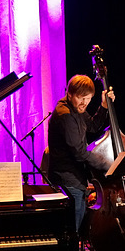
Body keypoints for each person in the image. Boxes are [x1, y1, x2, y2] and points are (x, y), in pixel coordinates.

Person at [47, 74, 115, 234]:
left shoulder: (76, 108)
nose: (84, 103)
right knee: (72, 234)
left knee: (76, 232)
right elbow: (79, 153)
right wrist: (109, 165)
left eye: (88, 98)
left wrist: (104, 106)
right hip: (68, 181)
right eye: (81, 98)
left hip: (76, 179)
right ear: (69, 94)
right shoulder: (66, 115)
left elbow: (92, 126)